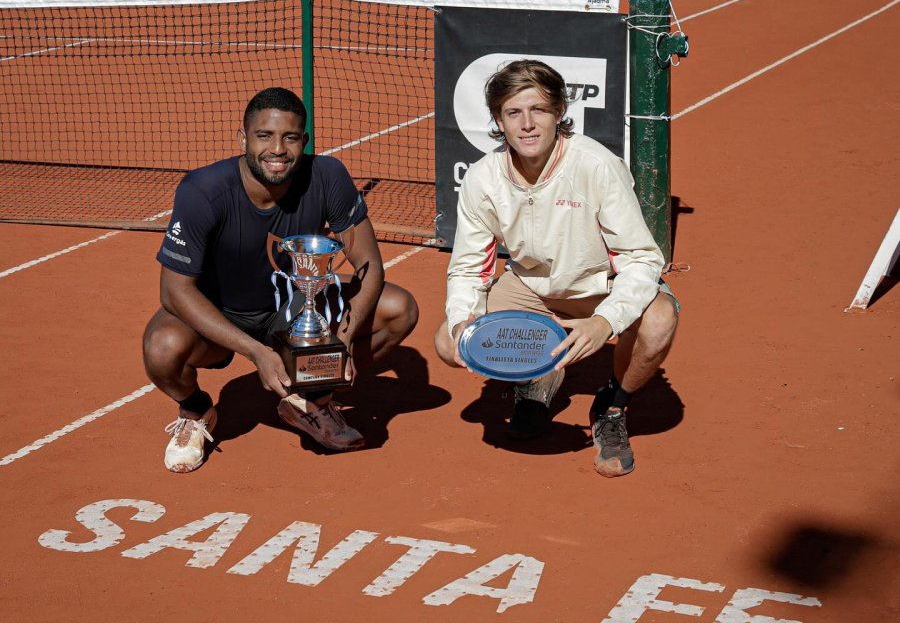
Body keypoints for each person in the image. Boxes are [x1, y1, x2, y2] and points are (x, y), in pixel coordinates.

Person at [144, 86, 419, 473]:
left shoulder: (328, 176)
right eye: (264, 136)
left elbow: (369, 265)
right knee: (162, 348)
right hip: (220, 313)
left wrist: (341, 336)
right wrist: (256, 352)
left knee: (398, 309)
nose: (277, 149)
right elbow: (174, 290)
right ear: (242, 139)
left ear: (304, 141)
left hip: (294, 309)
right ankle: (196, 410)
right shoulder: (202, 190)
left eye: (289, 137)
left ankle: (313, 401)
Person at [434, 60, 678, 478]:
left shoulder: (595, 165)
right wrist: (461, 324)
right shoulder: (482, 178)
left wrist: (605, 321)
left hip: (597, 287)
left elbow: (642, 258)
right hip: (529, 287)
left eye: (539, 110)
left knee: (659, 322)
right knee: (448, 342)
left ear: (560, 112)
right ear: (499, 120)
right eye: (514, 112)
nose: (527, 124)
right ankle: (538, 378)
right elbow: (469, 269)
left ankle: (612, 406)